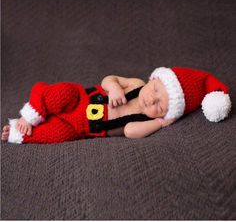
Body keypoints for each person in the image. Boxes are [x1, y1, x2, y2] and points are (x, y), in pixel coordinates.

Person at [1, 67, 232, 144]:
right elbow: (109, 79)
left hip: (81, 129)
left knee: (57, 133)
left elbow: (130, 132)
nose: (151, 99)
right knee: (62, 92)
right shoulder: (136, 84)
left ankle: (19, 134)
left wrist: (159, 123)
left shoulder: (147, 120)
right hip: (80, 99)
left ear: (167, 114)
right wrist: (114, 89)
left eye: (160, 106)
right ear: (153, 80)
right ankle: (31, 114)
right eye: (154, 91)